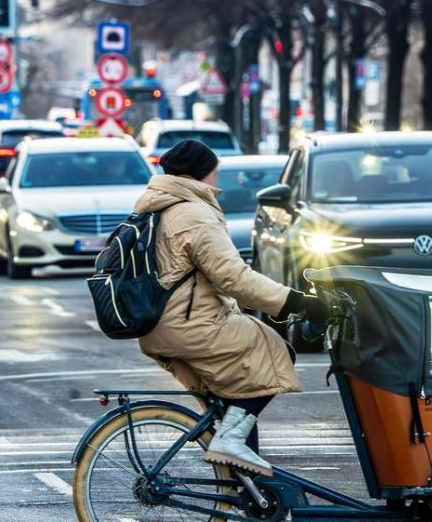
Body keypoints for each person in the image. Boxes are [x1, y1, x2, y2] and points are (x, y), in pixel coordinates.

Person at [133, 139, 329, 477]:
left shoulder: (159, 206)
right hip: (189, 326)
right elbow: (234, 278)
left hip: (161, 326)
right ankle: (233, 439)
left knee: (236, 399)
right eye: (215, 174)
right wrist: (296, 302)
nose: (216, 181)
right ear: (203, 174)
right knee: (273, 348)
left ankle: (244, 491)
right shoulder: (193, 214)